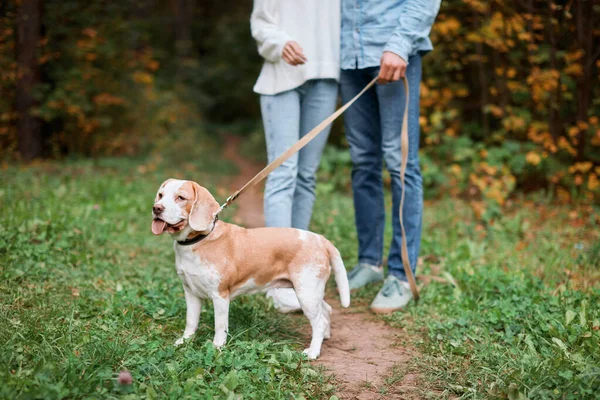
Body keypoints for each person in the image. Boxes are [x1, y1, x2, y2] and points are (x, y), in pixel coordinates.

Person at [340, 0, 440, 313]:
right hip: (349, 57)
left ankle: (401, 275)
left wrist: (399, 44)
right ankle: (370, 262)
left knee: (400, 164)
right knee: (362, 162)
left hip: (394, 53)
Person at [250, 0, 340, 312]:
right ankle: (276, 281)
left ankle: (298, 269)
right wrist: (281, 42)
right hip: (282, 76)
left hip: (326, 77)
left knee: (306, 174)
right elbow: (260, 24)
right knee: (283, 170)